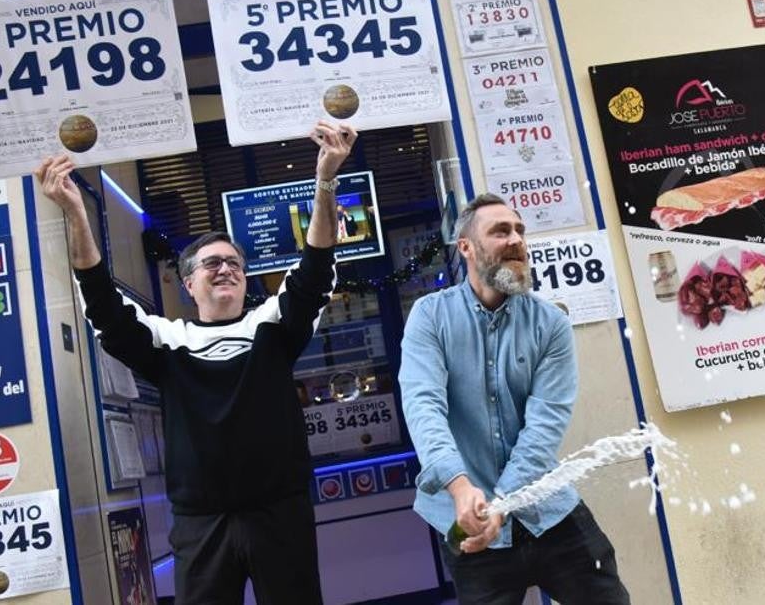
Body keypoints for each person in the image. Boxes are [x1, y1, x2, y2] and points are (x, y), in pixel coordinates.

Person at [35, 121, 358, 605]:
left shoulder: (274, 325)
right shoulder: (168, 340)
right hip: (201, 523)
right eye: (211, 263)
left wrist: (326, 179)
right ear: (188, 285)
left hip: (280, 514)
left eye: (234, 263)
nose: (225, 268)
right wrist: (76, 213)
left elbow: (315, 267)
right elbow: (102, 305)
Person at [398, 193, 630, 604]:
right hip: (467, 520)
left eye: (520, 231)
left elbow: (546, 425)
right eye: (500, 231)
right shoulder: (430, 317)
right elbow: (423, 406)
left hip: (547, 508)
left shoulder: (551, 323)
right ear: (465, 247)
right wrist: (459, 486)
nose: (516, 240)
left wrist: (503, 502)